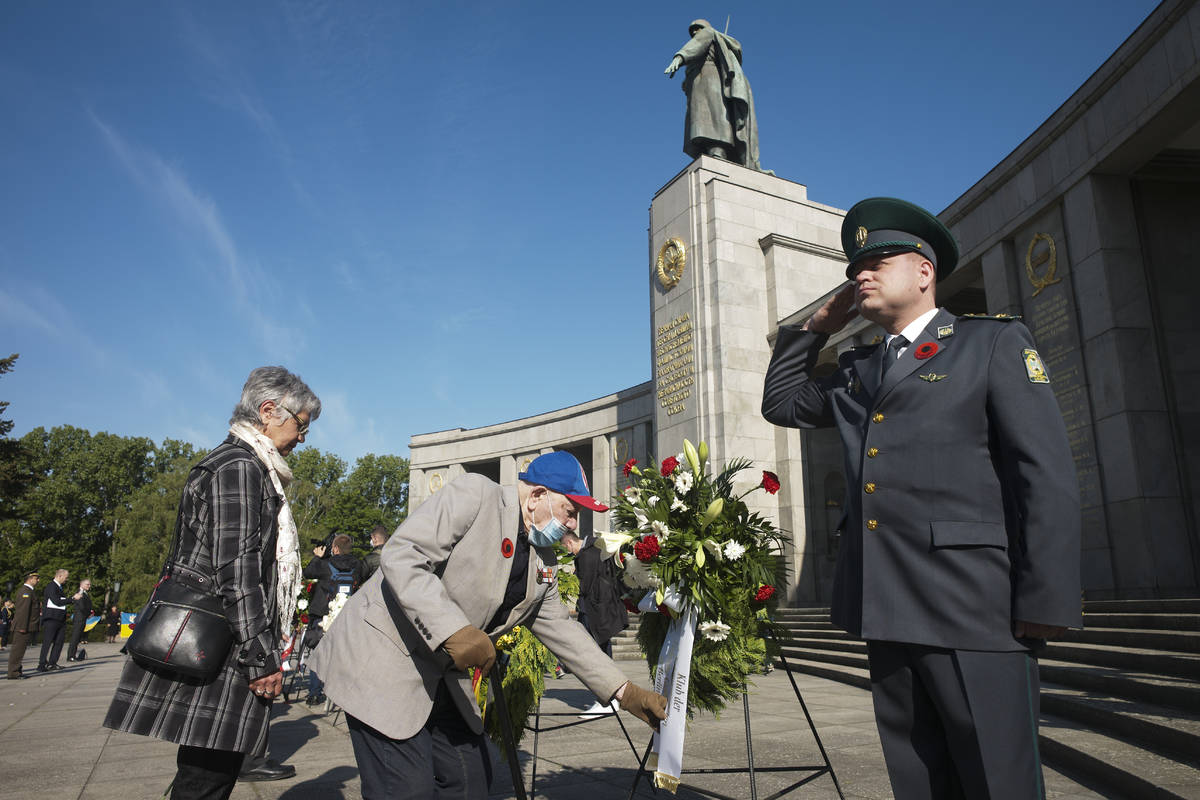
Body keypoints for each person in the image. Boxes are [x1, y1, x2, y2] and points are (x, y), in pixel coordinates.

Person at [761, 197, 1082, 799]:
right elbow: (780, 404)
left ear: (925, 271)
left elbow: (1044, 473)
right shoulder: (858, 369)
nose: (862, 273)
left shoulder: (990, 344)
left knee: (998, 782)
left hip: (974, 608)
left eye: (879, 260)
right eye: (856, 266)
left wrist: (1046, 596)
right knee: (922, 783)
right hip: (886, 606)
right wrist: (816, 329)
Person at [310, 451, 668, 800]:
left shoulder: (543, 562)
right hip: (383, 659)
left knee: (472, 778)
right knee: (406, 789)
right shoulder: (475, 495)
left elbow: (563, 630)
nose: (573, 524)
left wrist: (626, 693)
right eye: (570, 512)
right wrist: (454, 630)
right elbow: (402, 555)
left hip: (440, 677)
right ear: (537, 496)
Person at [103, 366, 320, 799]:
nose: (302, 437)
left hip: (221, 637)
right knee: (206, 778)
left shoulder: (237, 463)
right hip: (224, 643)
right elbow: (237, 570)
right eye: (301, 425)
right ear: (268, 410)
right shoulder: (241, 467)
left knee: (205, 771)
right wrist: (261, 658)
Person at [664, 19, 761, 170]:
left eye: (698, 28)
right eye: (693, 30)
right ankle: (709, 151)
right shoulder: (701, 47)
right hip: (700, 83)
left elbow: (695, 46)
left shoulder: (708, 33)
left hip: (709, 80)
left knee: (714, 116)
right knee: (705, 118)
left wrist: (679, 57)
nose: (695, 32)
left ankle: (717, 150)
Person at [562, 531, 629, 717]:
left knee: (594, 655)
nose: (567, 551)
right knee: (601, 652)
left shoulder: (585, 555)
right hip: (604, 609)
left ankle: (607, 699)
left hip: (594, 611)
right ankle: (611, 697)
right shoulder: (597, 548)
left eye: (565, 547)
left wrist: (571, 579)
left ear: (569, 542)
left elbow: (584, 586)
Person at [300, 533, 365, 706]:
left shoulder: (325, 564)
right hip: (346, 615)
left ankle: (315, 693)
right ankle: (340, 692)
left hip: (323, 613)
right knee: (342, 654)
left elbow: (307, 573)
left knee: (318, 654)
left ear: (335, 548)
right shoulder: (357, 565)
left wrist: (317, 557)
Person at [37, 568, 74, 672]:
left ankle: (53, 662)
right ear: (60, 576)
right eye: (66, 577)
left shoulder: (59, 587)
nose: (66, 580)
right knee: (47, 641)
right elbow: (56, 601)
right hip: (51, 618)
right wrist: (71, 599)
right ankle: (42, 663)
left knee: (59, 641)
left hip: (59, 619)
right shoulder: (51, 586)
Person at [6, 571, 39, 679]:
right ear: (30, 579)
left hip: (25, 625)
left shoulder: (29, 591)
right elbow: (23, 611)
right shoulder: (26, 592)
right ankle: (13, 673)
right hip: (22, 626)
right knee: (18, 650)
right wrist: (22, 627)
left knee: (20, 650)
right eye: (36, 578)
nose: (38, 580)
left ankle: (17, 670)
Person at [66, 577, 93, 661]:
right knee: (75, 637)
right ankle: (71, 656)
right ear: (82, 584)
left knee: (77, 638)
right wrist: (88, 614)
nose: (89, 586)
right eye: (87, 584)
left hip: (82, 618)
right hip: (79, 618)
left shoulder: (84, 593)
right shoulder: (80, 592)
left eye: (89, 584)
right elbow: (81, 606)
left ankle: (73, 655)